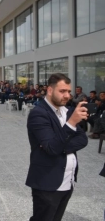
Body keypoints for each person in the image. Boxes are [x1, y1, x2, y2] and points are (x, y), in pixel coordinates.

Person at [26, 73, 88, 221]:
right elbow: (52, 148)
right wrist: (71, 123)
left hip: (68, 180)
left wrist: (60, 146)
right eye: (62, 91)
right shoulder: (39, 114)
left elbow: (82, 139)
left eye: (68, 91)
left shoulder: (66, 111)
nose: (67, 95)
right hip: (48, 182)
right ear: (49, 90)